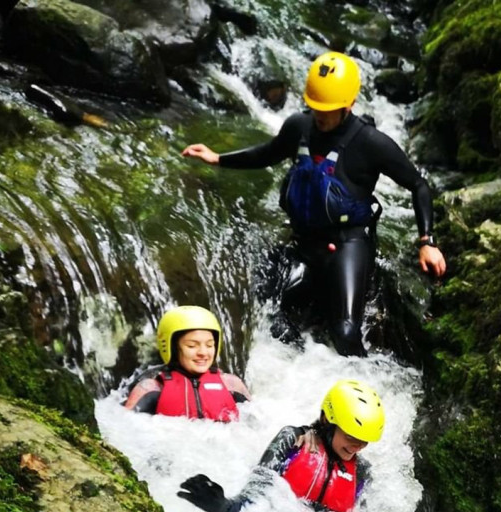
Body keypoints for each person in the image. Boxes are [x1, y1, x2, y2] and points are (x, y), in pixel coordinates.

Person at [181, 51, 447, 358]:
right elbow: (268, 153)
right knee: (271, 315)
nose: (320, 115)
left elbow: (418, 185)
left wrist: (427, 241)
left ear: (349, 104)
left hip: (348, 244)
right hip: (305, 243)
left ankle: (364, 392)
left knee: (345, 332)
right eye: (315, 105)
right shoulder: (299, 127)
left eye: (328, 108)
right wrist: (217, 158)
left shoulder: (371, 143)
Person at [178, 378, 384, 512]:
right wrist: (222, 507)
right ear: (326, 421)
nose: (357, 446)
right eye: (350, 437)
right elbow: (252, 498)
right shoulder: (293, 441)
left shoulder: (362, 472)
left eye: (364, 441)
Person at [123, 305, 250, 420]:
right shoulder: (150, 388)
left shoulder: (232, 385)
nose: (203, 352)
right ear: (172, 347)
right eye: (191, 346)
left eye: (209, 345)